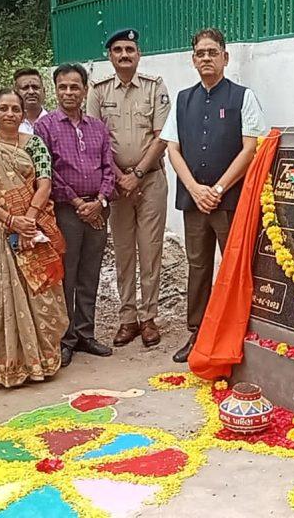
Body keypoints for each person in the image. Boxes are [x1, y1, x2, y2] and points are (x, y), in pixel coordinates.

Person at [160, 27, 268, 363]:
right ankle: (198, 334)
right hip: (193, 201)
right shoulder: (183, 99)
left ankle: (241, 334)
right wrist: (194, 188)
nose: (206, 58)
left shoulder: (242, 97)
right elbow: (172, 149)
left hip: (230, 201)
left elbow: (251, 148)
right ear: (193, 60)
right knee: (198, 266)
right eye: (200, 53)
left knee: (237, 265)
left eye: (212, 52)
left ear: (225, 57)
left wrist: (219, 188)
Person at [0, 89, 68, 387]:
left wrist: (29, 217)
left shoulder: (35, 143)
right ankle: (10, 365)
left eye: (16, 109)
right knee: (3, 295)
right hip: (2, 230)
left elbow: (45, 181)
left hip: (35, 226)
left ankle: (42, 360)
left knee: (44, 294)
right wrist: (10, 219)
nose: (11, 114)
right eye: (4, 108)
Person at [88, 28, 170, 349]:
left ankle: (149, 318)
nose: (124, 55)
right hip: (115, 184)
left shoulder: (155, 87)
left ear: (139, 55)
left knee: (150, 251)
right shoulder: (99, 90)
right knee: (123, 251)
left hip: (150, 180)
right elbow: (95, 139)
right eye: (118, 50)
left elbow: (162, 136)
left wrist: (136, 173)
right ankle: (127, 319)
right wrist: (120, 177)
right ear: (110, 56)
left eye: (130, 50)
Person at [34, 63, 116, 368]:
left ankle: (86, 333)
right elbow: (48, 171)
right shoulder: (45, 127)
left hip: (97, 210)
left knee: (90, 273)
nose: (69, 92)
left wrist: (101, 199)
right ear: (55, 90)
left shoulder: (98, 127)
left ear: (85, 90)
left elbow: (108, 167)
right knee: (65, 275)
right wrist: (77, 201)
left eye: (74, 87)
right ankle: (65, 338)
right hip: (66, 211)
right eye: (63, 87)